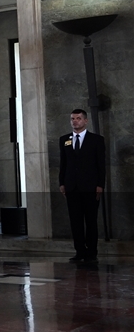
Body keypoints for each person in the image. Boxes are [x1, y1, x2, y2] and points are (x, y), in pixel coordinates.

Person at [59, 108, 106, 263]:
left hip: (90, 187)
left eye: (78, 118)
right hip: (72, 187)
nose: (75, 121)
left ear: (85, 121)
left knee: (91, 220)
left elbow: (101, 165)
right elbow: (63, 163)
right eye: (73, 118)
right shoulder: (65, 140)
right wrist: (62, 182)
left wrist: (100, 185)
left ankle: (91, 252)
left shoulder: (96, 140)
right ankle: (80, 252)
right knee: (76, 221)